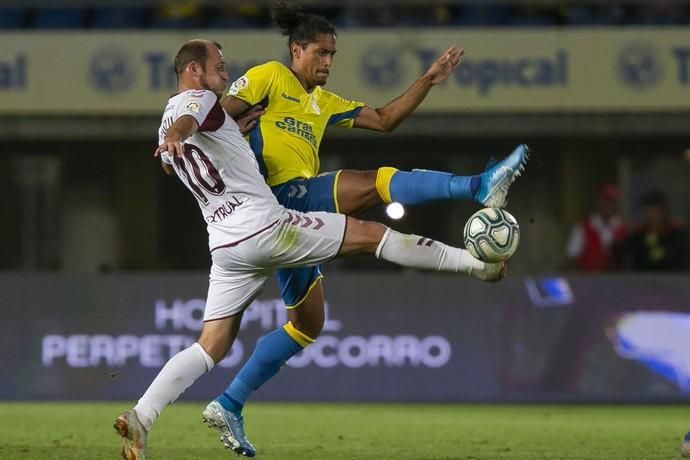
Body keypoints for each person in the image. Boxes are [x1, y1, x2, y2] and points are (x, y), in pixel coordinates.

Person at [114, 38, 507, 460]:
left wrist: (214, 135)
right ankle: (476, 265)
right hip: (267, 227)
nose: (226, 74)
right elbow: (188, 125)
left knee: (210, 345)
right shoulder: (199, 103)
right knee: (369, 234)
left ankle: (142, 415)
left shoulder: (169, 117)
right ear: (193, 70)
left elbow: (174, 153)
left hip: (225, 245)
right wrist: (183, 133)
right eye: (219, 66)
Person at [213, 3, 529, 455]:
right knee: (377, 182)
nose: (327, 62)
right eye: (321, 53)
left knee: (307, 325)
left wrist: (429, 79)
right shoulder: (267, 76)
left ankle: (229, 403)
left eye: (333, 55)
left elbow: (384, 120)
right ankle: (478, 188)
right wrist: (217, 138)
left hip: (289, 223)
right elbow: (217, 116)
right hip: (276, 198)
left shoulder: (323, 103)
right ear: (296, 50)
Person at [564, 183, 627, 271]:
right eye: (606, 201)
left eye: (612, 201)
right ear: (598, 201)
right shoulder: (582, 228)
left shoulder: (624, 228)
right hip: (589, 281)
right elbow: (572, 258)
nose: (609, 205)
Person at [625, 189, 688, 271]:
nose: (649, 216)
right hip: (642, 280)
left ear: (663, 211)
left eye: (653, 211)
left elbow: (680, 259)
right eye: (646, 212)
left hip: (673, 279)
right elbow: (634, 259)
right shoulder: (638, 235)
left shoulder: (677, 233)